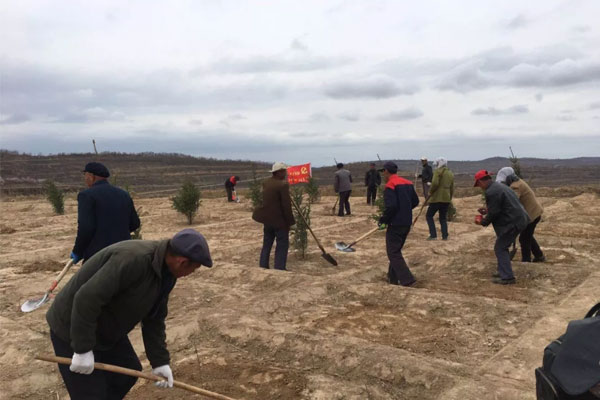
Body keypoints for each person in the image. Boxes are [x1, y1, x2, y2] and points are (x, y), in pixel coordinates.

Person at [46, 229, 213, 399]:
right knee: (90, 394)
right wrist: (82, 349)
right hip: (71, 326)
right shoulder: (133, 260)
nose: (191, 274)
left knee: (126, 373)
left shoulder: (167, 274)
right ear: (182, 262)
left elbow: (154, 318)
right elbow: (86, 299)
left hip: (104, 328)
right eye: (194, 269)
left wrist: (160, 362)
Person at [71, 162, 140, 265]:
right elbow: (135, 223)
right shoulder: (123, 194)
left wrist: (78, 251)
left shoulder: (86, 196)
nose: (85, 179)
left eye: (85, 175)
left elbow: (86, 228)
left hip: (99, 257)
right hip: (124, 253)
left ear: (91, 176)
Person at [474, 170, 530, 285]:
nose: (480, 188)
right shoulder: (499, 187)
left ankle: (507, 277)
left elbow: (494, 213)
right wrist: (487, 210)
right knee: (502, 245)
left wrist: (483, 222)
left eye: (478, 185)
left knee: (500, 247)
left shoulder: (491, 192)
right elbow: (500, 207)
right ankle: (502, 271)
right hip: (518, 219)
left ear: (481, 181)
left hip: (513, 222)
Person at [378, 161, 419, 286]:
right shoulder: (408, 183)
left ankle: (407, 280)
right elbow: (415, 202)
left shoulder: (390, 185)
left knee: (393, 252)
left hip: (396, 223)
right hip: (406, 222)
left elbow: (391, 207)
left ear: (386, 171)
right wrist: (405, 210)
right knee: (395, 251)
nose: (383, 174)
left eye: (383, 171)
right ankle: (392, 278)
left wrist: (384, 220)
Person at [252, 162, 295, 270]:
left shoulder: (266, 182)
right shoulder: (283, 185)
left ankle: (263, 265)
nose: (285, 173)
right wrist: (291, 222)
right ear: (278, 172)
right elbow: (286, 206)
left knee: (267, 243)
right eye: (284, 171)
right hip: (279, 221)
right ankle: (279, 268)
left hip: (267, 220)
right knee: (282, 244)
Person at [496, 167, 545, 263]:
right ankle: (539, 256)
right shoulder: (517, 182)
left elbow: (512, 202)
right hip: (533, 213)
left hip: (531, 215)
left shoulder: (515, 187)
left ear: (508, 178)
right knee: (528, 236)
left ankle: (526, 261)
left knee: (524, 239)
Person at [425, 157, 454, 240]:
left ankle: (433, 235)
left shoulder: (437, 172)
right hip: (446, 199)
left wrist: (430, 192)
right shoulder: (450, 173)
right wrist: (449, 198)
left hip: (436, 198)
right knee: (443, 218)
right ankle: (445, 236)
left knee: (429, 216)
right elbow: (452, 187)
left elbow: (434, 183)